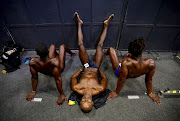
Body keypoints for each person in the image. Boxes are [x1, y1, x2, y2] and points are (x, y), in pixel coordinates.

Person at [70, 12, 114, 112]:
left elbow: (73, 77)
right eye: (88, 102)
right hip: (96, 68)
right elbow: (104, 78)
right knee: (100, 46)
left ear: (80, 101)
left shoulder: (76, 88)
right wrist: (98, 70)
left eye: (83, 101)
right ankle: (106, 25)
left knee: (80, 44)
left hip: (85, 66)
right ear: (92, 102)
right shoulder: (100, 89)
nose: (86, 99)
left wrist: (81, 69)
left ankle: (79, 23)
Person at [106, 37, 161, 105]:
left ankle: (106, 54)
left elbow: (122, 80)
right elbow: (148, 80)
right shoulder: (150, 63)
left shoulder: (126, 62)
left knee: (111, 49)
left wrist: (116, 92)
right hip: (130, 72)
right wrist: (150, 93)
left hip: (120, 72)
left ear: (130, 52)